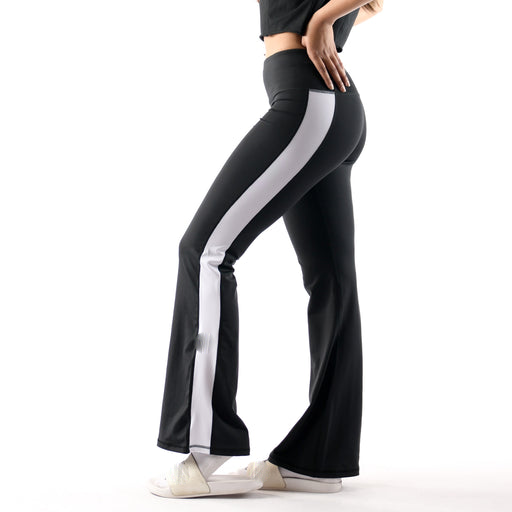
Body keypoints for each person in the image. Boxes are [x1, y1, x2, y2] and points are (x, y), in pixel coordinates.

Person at [147, 0, 384, 499]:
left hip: (309, 99)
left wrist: (322, 21)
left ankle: (204, 449)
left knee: (206, 252)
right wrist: (330, 18)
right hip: (323, 101)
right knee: (332, 282)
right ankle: (317, 461)